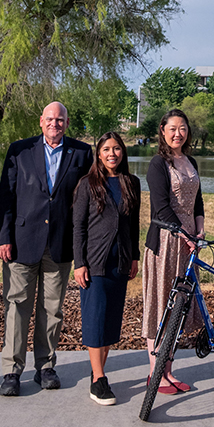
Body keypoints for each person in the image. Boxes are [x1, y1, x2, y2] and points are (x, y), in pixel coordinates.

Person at [0, 102, 93, 396]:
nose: (55, 124)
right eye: (50, 119)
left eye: (60, 119)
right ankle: (11, 371)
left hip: (60, 242)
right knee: (17, 306)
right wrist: (3, 237)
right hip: (22, 240)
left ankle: (45, 366)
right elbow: (6, 196)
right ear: (40, 122)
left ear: (67, 122)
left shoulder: (82, 153)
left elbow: (87, 200)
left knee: (52, 309)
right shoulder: (19, 151)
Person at [72, 132, 140, 405]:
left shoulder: (131, 183)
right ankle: (99, 379)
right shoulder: (87, 184)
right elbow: (78, 228)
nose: (112, 154)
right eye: (106, 149)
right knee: (95, 318)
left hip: (120, 261)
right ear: (98, 154)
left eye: (117, 149)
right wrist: (80, 263)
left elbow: (133, 225)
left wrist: (134, 256)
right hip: (95, 261)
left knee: (111, 320)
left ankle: (98, 370)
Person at [142, 109, 205, 393]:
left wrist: (199, 229)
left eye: (182, 128)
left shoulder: (190, 161)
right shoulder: (157, 164)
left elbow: (198, 201)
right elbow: (161, 206)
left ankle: (169, 371)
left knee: (178, 308)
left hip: (189, 243)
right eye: (172, 128)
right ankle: (154, 373)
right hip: (166, 243)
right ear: (162, 131)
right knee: (161, 304)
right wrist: (185, 234)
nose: (177, 133)